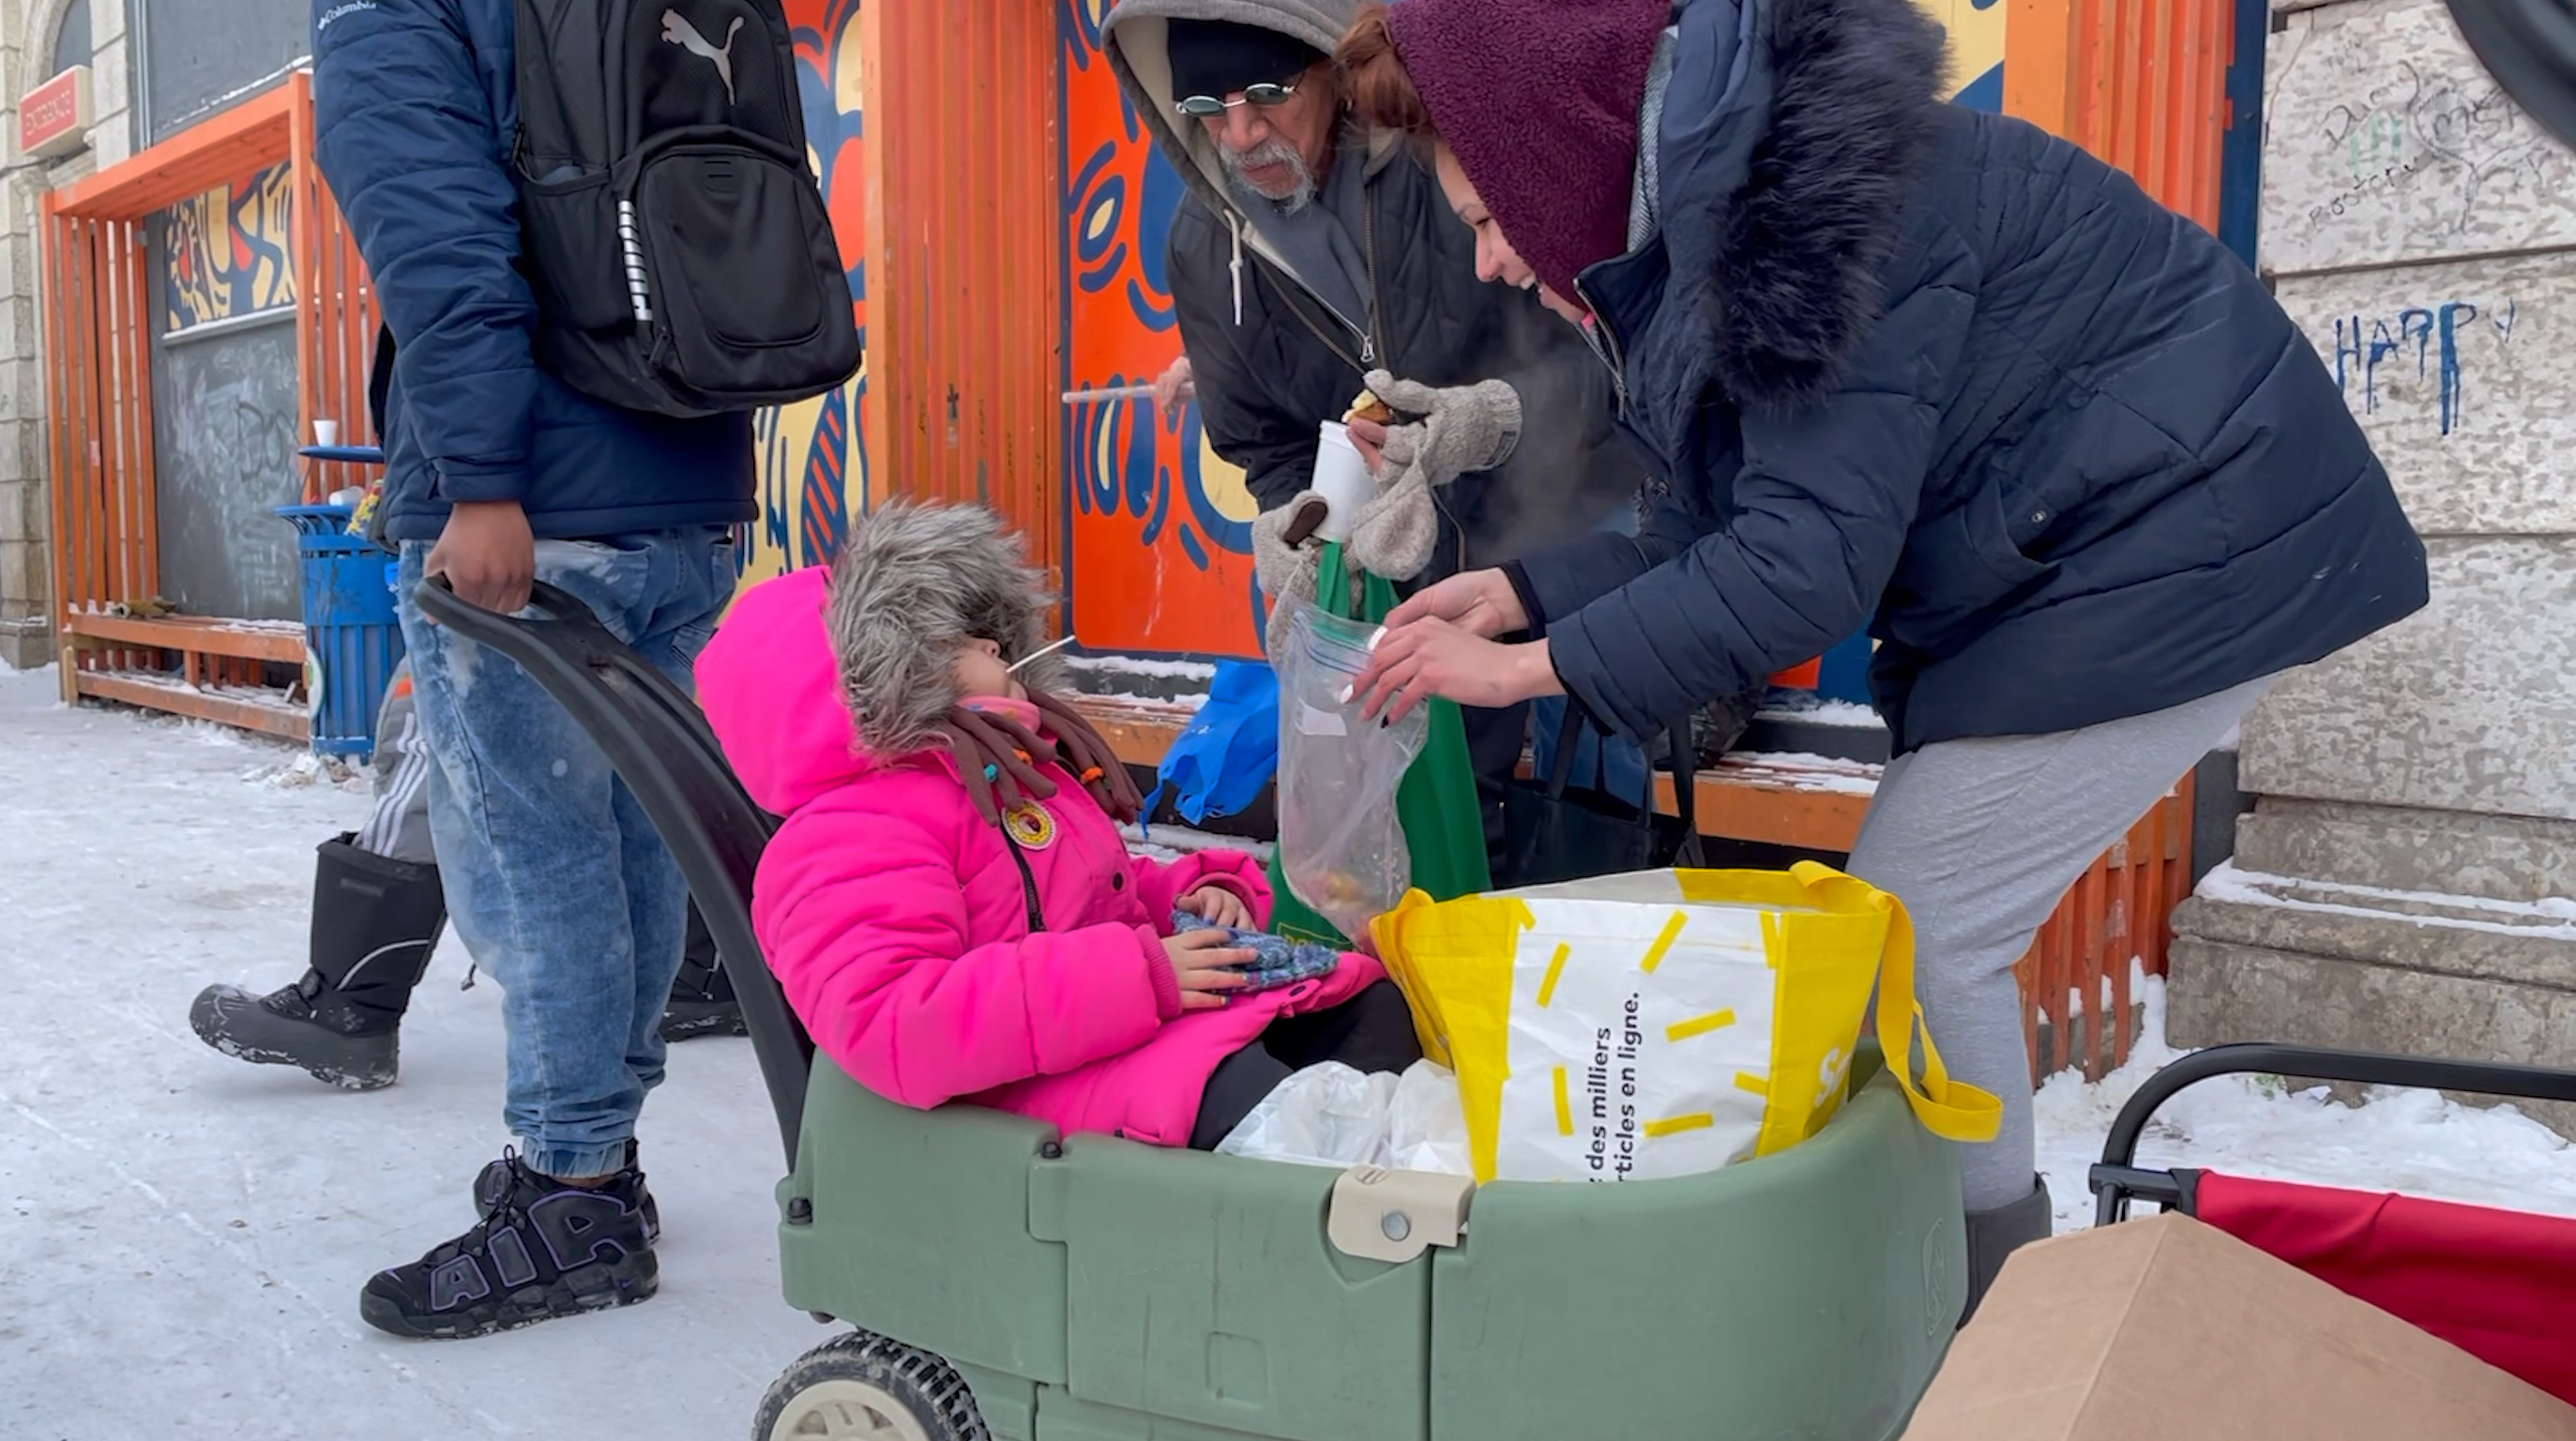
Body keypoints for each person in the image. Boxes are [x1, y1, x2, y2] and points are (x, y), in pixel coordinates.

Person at [1331, 0, 2429, 1307]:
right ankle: (1946, 1286)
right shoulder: (1719, 208)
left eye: (1484, 216)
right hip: (2076, 549)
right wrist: (1518, 592)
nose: (1490, 264)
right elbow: (1723, 528)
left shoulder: (1805, 211)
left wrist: (1530, 672)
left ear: (1556, 148)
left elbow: (1797, 571)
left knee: (1914, 931)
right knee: (1910, 931)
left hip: (2185, 536)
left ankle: (1978, 1318)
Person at [312, 0, 756, 1338]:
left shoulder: (392, 12)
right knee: (629, 849)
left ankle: (573, 1188)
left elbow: (441, 248)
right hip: (685, 486)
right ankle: (599, 1162)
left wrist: (482, 483)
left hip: (534, 512)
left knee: (532, 863)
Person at [697, 503, 1417, 1151]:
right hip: (1010, 1092)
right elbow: (892, 1022)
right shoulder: (846, 835)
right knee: (1251, 1097)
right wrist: (1138, 975)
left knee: (1371, 1010)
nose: (995, 645)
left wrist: (1184, 896)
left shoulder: (1000, 775)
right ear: (889, 670)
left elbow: (1091, 893)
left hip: (1107, 1033)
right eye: (961, 635)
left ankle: (1424, 1191)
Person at [1101, 0, 1650, 845]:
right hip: (1399, 558)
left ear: (1328, 67)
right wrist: (1298, 524)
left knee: (1598, 790)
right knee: (1419, 826)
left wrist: (1489, 419)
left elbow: (1615, 352)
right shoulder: (1202, 247)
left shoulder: (1447, 159)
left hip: (1569, 516)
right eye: (1208, 112)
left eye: (1264, 93)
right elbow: (1268, 446)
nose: (1242, 135)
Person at [187, 660, 745, 1091]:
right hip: (656, 547)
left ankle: (348, 1004)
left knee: (439, 729)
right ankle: (704, 971)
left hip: (525, 551)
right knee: (641, 743)